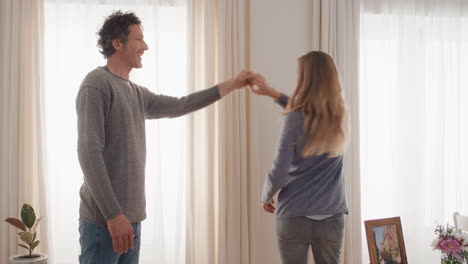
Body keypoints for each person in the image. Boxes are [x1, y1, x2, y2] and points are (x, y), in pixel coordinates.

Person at [76, 10, 254, 264]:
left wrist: (232, 84)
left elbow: (182, 105)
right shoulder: (96, 84)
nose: (145, 46)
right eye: (138, 39)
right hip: (105, 220)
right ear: (117, 43)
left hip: (132, 218)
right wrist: (114, 215)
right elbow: (88, 153)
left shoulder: (136, 92)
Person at [251, 51, 350, 264]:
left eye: (299, 75)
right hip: (331, 216)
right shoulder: (341, 116)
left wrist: (266, 195)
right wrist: (274, 94)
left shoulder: (295, 119)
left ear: (306, 80)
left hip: (294, 215)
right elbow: (309, 114)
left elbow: (280, 167)